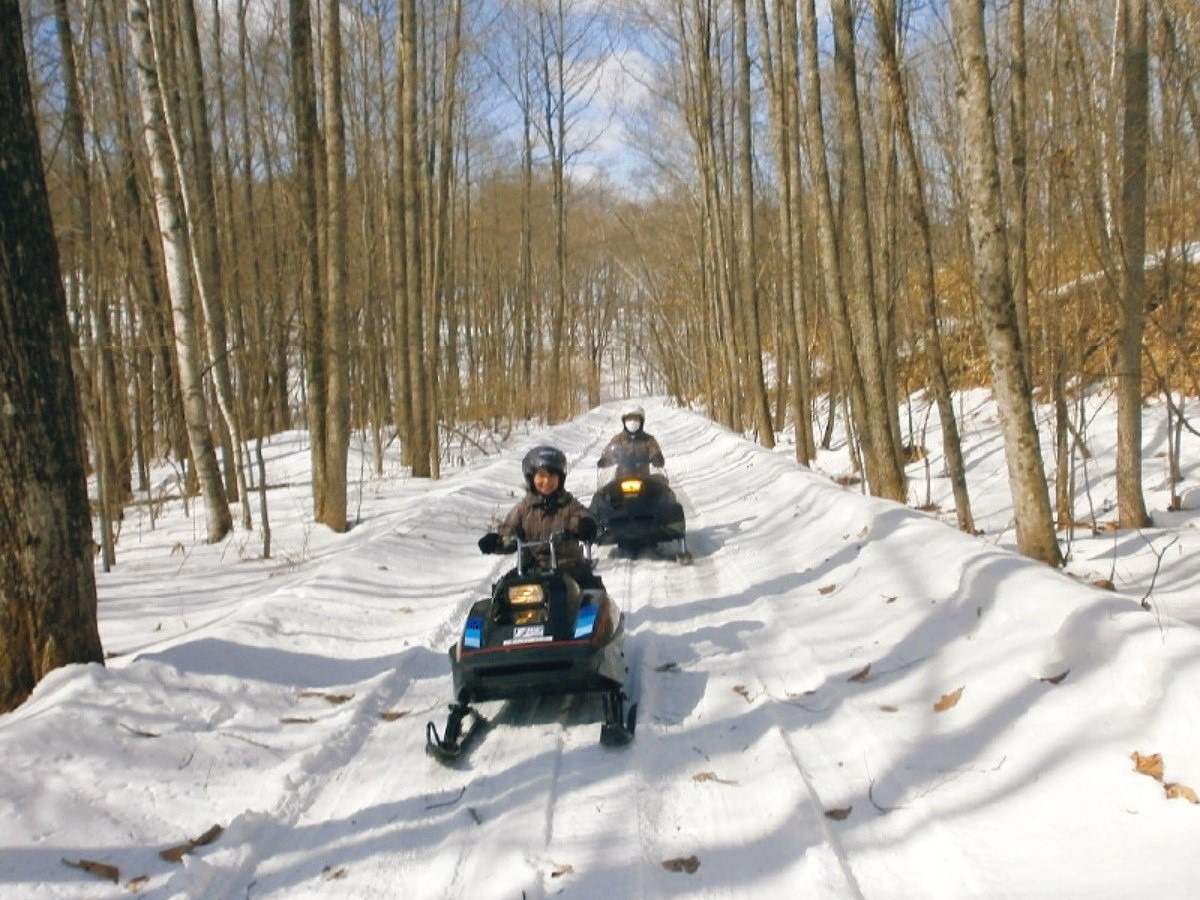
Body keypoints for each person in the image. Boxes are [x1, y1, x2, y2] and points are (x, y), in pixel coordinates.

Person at [478, 445, 603, 589]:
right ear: (531, 478)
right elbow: (508, 536)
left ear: (560, 479)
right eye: (541, 476)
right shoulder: (523, 509)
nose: (547, 481)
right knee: (502, 593)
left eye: (552, 476)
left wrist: (586, 525)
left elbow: (584, 516)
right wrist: (495, 542)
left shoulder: (569, 505)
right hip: (531, 569)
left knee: (594, 592)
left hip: (569, 568)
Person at [597, 405, 665, 470]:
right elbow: (609, 452)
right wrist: (605, 460)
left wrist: (657, 458)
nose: (632, 422)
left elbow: (655, 451)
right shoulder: (617, 439)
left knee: (659, 480)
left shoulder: (648, 439)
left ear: (641, 421)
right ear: (624, 422)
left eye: (636, 419)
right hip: (620, 479)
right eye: (629, 419)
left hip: (645, 478)